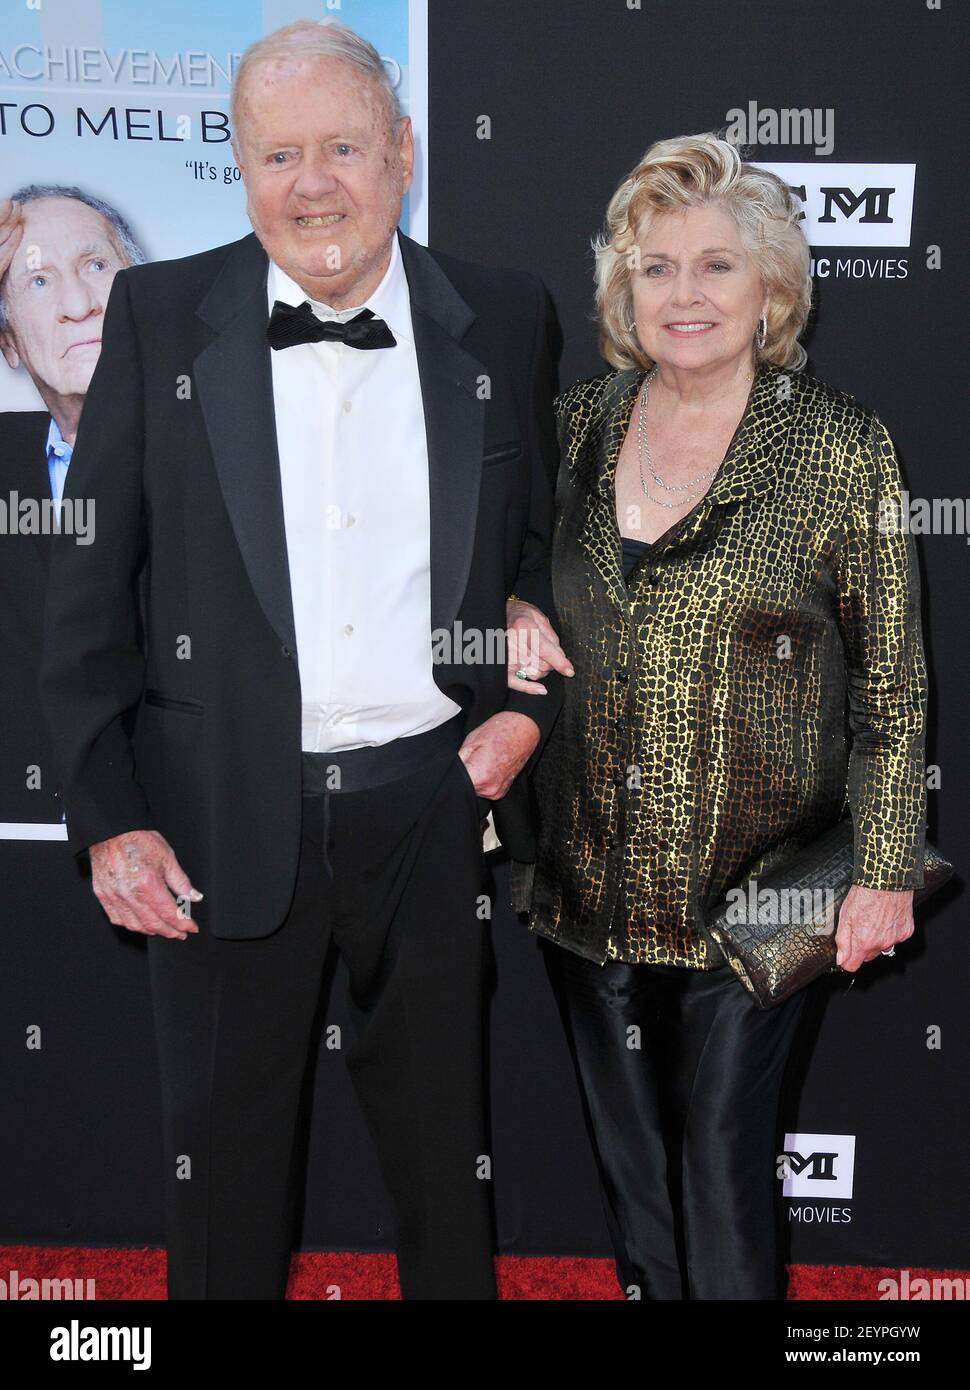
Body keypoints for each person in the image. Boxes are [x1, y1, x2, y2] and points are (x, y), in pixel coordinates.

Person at [39, 19, 564, 1300]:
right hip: (217, 813)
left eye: (342, 146)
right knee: (217, 1183)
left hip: (431, 809)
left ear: (403, 152)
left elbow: (545, 549)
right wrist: (108, 819)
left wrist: (523, 710)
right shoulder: (161, 315)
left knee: (451, 1170)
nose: (313, 182)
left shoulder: (501, 315)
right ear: (239, 166)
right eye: (280, 154)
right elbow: (89, 593)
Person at [511, 133, 927, 1299]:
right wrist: (497, 603)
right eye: (654, 269)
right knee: (632, 1176)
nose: (682, 295)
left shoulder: (840, 450)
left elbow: (892, 682)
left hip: (766, 882)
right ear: (620, 290)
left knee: (720, 1171)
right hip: (588, 876)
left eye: (715, 268)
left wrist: (884, 866)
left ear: (771, 292)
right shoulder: (572, 430)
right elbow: (499, 571)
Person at [0, 188, 144, 824]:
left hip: (207, 860)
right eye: (37, 280)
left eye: (96, 266)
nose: (79, 306)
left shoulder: (238, 449)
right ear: (9, 343)